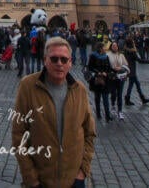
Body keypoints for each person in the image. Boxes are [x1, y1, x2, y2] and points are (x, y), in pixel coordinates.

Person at [12, 36, 95, 188]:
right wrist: (31, 179)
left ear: (70, 62)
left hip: (74, 182)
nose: (59, 64)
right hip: (40, 182)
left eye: (64, 60)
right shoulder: (28, 86)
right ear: (45, 60)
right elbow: (19, 136)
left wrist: (83, 171)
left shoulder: (80, 90)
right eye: (54, 59)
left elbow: (89, 133)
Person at [121, 37, 149, 106]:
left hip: (128, 70)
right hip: (132, 71)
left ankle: (139, 98)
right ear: (132, 43)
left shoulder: (125, 51)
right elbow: (139, 60)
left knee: (135, 85)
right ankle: (134, 99)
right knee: (134, 85)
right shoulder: (132, 52)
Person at [106, 41, 127, 120]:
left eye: (116, 46)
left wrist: (121, 68)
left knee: (120, 94)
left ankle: (120, 111)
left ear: (118, 47)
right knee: (113, 93)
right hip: (112, 76)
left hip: (121, 76)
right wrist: (113, 69)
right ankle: (113, 106)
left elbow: (126, 65)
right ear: (111, 47)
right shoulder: (108, 55)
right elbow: (106, 65)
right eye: (113, 46)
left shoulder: (121, 55)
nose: (115, 47)